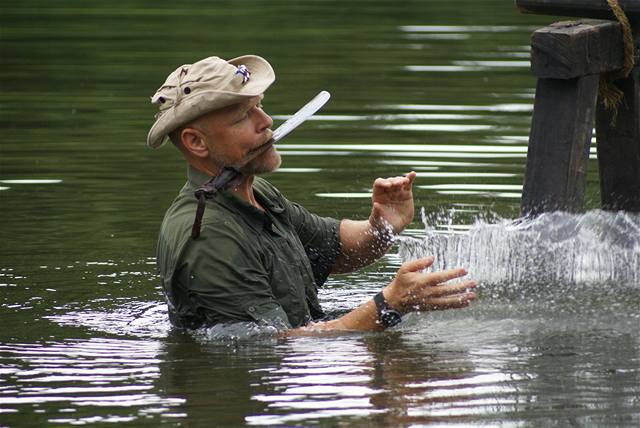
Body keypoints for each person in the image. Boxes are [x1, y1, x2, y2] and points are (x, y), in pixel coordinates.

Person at [148, 54, 476, 334]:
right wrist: (388, 305)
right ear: (196, 142)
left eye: (259, 107)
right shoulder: (208, 237)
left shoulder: (257, 193)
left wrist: (383, 226)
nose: (267, 121)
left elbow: (335, 250)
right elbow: (273, 348)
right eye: (243, 116)